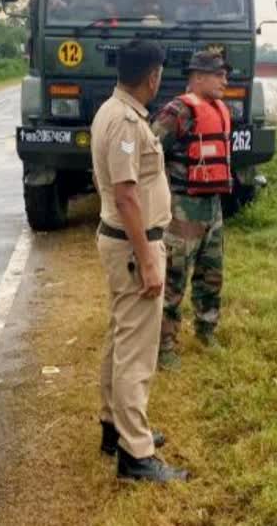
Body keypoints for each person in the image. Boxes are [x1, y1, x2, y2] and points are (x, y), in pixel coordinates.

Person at [90, 38, 189, 483]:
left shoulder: (112, 111)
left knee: (121, 335)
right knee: (136, 352)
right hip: (134, 245)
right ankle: (136, 455)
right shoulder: (127, 122)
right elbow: (128, 196)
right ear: (152, 76)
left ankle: (115, 425)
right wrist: (148, 260)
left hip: (122, 242)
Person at [151, 51, 233, 370]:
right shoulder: (178, 111)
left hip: (212, 206)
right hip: (183, 207)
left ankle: (206, 329)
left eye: (225, 74)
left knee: (211, 273)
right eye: (218, 75)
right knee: (174, 276)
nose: (225, 80)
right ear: (198, 77)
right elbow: (150, 149)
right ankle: (165, 344)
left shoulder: (219, 109)